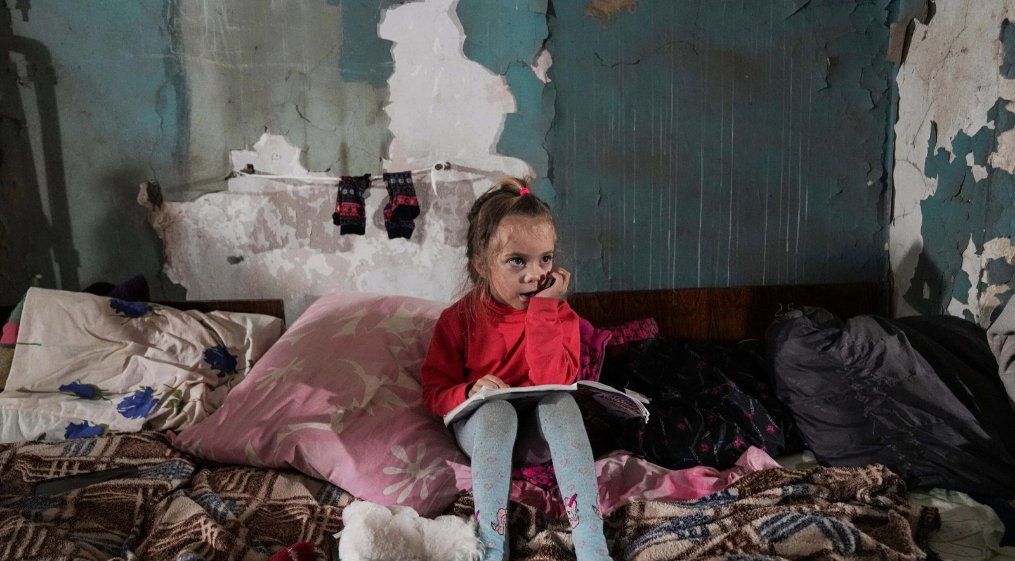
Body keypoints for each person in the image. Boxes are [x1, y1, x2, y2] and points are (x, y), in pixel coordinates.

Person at [421, 178, 611, 561]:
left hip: (536, 437)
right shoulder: (458, 320)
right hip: (486, 430)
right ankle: (492, 548)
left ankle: (593, 545)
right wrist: (470, 391)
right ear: (481, 264)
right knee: (497, 410)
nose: (534, 275)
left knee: (561, 402)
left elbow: (553, 381)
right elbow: (434, 392)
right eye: (517, 261)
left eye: (545, 259)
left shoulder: (559, 315)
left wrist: (544, 311)